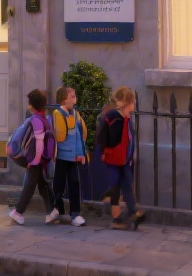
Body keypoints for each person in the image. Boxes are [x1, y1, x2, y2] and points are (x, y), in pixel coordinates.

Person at [96, 86, 145, 229]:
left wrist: (130, 157)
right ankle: (116, 220)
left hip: (125, 161)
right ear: (126, 102)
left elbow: (130, 140)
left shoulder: (128, 120)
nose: (134, 105)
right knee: (116, 188)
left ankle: (132, 212)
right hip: (114, 159)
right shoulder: (113, 117)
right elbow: (102, 137)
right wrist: (106, 151)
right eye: (132, 101)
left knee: (128, 186)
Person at [9, 89, 57, 225]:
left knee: (34, 185)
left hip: (36, 159)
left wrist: (34, 161)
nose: (28, 105)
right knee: (38, 184)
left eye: (29, 103)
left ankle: (18, 212)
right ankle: (50, 210)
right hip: (39, 159)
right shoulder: (43, 119)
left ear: (32, 105)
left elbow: (40, 144)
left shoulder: (36, 120)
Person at [50, 86, 87, 226]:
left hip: (72, 158)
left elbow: (80, 136)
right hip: (61, 157)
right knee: (58, 184)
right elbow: (59, 136)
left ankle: (75, 214)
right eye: (72, 96)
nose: (75, 98)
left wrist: (80, 153)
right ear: (64, 99)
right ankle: (57, 209)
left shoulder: (76, 114)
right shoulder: (57, 113)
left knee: (74, 184)